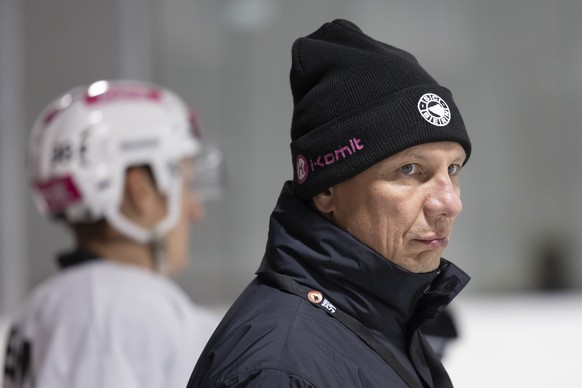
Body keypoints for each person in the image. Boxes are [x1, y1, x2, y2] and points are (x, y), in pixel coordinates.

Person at [187, 19, 471, 388]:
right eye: (409, 169)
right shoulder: (278, 370)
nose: (449, 202)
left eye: (453, 168)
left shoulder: (387, 324)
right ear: (326, 189)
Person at [2, 80, 225, 388]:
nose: (195, 211)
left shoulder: (40, 305)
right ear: (140, 191)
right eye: (184, 184)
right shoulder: (123, 310)